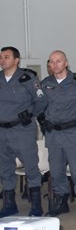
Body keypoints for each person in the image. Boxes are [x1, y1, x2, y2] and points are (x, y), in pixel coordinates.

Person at [39, 51, 76, 217]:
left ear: (66, 63)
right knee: (56, 170)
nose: (55, 65)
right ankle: (61, 201)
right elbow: (39, 106)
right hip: (54, 134)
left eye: (58, 61)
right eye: (52, 62)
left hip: (73, 132)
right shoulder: (45, 83)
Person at [0, 46, 46, 217]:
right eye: (1, 57)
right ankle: (9, 204)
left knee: (31, 166)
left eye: (6, 57)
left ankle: (36, 205)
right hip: (2, 131)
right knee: (5, 168)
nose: (2, 60)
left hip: (22, 129)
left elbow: (41, 100)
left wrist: (31, 114)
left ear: (16, 60)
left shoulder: (27, 78)